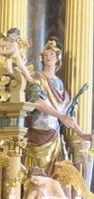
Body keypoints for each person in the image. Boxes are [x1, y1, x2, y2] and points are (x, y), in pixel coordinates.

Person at [25, 39, 91, 176]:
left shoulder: (59, 83)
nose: (48, 57)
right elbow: (36, 101)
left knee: (56, 176)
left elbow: (66, 114)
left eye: (51, 54)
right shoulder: (37, 77)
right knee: (38, 177)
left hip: (54, 135)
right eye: (45, 55)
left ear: (57, 58)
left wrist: (83, 134)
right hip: (38, 133)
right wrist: (60, 116)